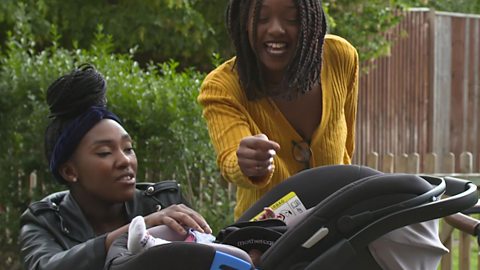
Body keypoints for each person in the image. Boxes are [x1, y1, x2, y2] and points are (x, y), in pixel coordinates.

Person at [19, 64, 213, 270]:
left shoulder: (164, 203)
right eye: (104, 152)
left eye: (128, 149)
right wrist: (137, 229)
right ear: (69, 171)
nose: (125, 161)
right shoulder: (44, 223)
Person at [198, 0, 359, 219]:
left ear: (310, 20)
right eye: (262, 19)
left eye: (292, 18)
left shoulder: (340, 58)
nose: (276, 29)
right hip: (264, 239)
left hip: (337, 231)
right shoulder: (222, 87)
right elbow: (230, 158)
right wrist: (247, 164)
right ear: (244, 21)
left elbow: (346, 152)